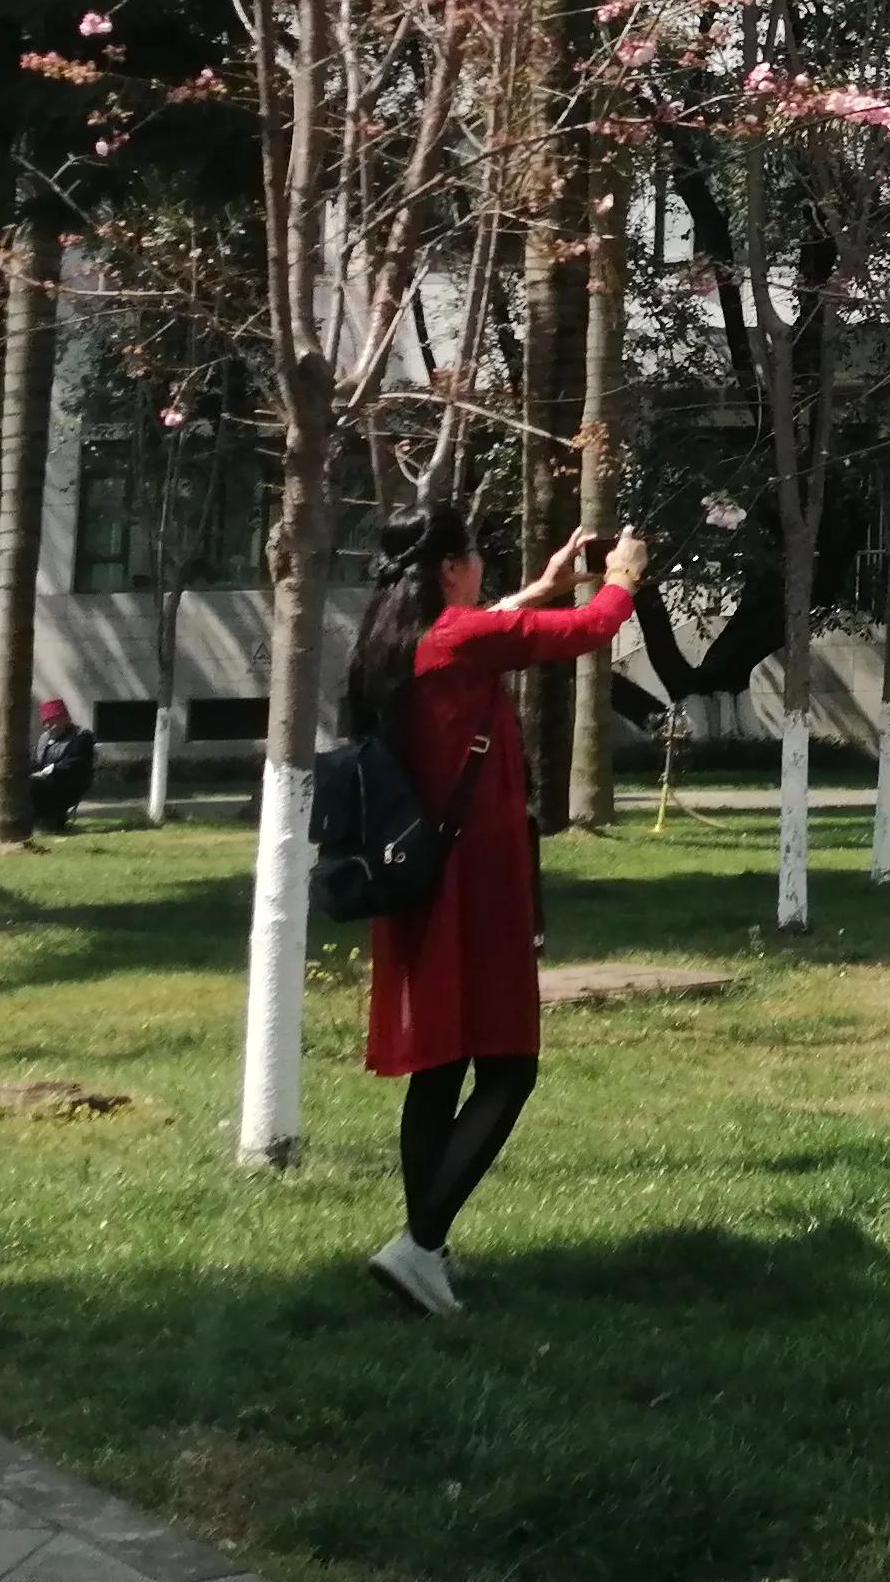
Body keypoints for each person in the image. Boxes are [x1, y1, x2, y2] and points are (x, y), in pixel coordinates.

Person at [341, 498, 647, 1317]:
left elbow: (484, 632)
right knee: (510, 1065)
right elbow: (586, 634)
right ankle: (417, 1243)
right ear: (449, 568)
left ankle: (424, 1254)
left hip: (419, 880)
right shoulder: (460, 640)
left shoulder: (396, 643)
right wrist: (620, 580)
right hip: (476, 880)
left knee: (440, 1068)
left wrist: (543, 585)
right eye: (474, 554)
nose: (481, 567)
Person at [25, 699, 101, 834]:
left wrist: (53, 769)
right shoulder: (44, 738)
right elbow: (35, 761)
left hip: (68, 782)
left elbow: (77, 763)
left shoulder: (82, 737)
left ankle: (48, 821)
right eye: (46, 722)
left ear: (66, 719)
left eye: (53, 721)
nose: (49, 726)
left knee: (33, 785)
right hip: (44, 779)